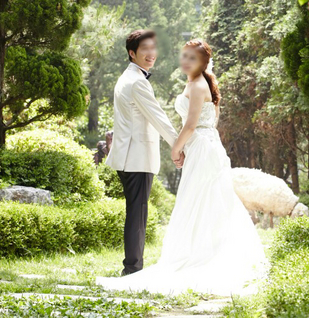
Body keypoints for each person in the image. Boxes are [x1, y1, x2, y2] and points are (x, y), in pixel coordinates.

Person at [97, 39, 267, 295]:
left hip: (201, 147)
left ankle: (201, 257)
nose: (186, 61)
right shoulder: (189, 82)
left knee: (203, 201)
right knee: (196, 202)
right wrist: (183, 145)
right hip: (197, 146)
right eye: (184, 56)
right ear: (132, 53)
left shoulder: (196, 85)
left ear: (203, 62)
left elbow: (191, 124)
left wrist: (177, 147)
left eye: (192, 58)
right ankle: (147, 264)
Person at [105, 29, 184, 276]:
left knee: (135, 212)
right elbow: (159, 118)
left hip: (127, 156)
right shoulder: (138, 82)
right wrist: (180, 146)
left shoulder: (126, 77)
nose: (151, 54)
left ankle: (132, 267)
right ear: (132, 53)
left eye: (153, 48)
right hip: (137, 158)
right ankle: (132, 269)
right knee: (137, 214)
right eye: (145, 49)